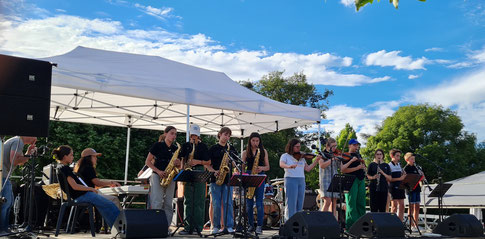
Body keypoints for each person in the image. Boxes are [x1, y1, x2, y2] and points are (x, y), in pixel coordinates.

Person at [53, 145, 120, 228]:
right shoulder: (65, 169)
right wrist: (90, 188)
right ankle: (120, 228)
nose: (73, 157)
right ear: (65, 156)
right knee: (110, 205)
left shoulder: (61, 167)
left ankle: (116, 228)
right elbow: (74, 186)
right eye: (71, 155)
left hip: (81, 196)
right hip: (82, 196)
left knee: (108, 205)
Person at [145, 126, 181, 229]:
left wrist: (178, 164)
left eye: (175, 134)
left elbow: (180, 167)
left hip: (170, 178)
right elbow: (147, 161)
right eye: (171, 133)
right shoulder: (157, 145)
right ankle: (155, 227)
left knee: (168, 203)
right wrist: (158, 171)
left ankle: (166, 227)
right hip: (157, 176)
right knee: (157, 202)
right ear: (165, 134)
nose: (174, 136)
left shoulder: (175, 149)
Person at [178, 124, 210, 235]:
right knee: (188, 200)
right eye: (192, 135)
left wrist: (198, 162)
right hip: (188, 170)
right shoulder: (186, 145)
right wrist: (182, 170)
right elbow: (182, 158)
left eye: (195, 135)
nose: (193, 137)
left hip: (199, 170)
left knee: (199, 200)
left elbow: (208, 162)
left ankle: (198, 227)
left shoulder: (203, 146)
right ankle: (187, 226)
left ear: (199, 136)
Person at [1, 136, 37, 233]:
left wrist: (28, 153)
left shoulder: (17, 141)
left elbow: (19, 162)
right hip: (3, 176)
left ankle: (4, 228)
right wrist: (29, 155)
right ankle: (2, 229)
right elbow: (14, 161)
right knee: (6, 203)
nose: (36, 138)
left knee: (9, 202)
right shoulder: (18, 141)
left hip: (4, 175)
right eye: (35, 135)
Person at [205, 127, 237, 234]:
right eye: (225, 134)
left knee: (228, 203)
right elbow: (207, 164)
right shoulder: (213, 148)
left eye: (228, 135)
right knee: (216, 204)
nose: (227, 137)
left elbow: (235, 164)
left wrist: (230, 161)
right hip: (215, 179)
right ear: (220, 134)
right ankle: (216, 226)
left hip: (228, 179)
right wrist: (214, 171)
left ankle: (229, 226)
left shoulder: (231, 148)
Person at [279, 138, 320, 221]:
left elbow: (307, 169)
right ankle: (289, 222)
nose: (299, 149)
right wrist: (289, 166)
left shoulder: (302, 157)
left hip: (301, 180)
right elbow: (281, 164)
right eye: (297, 147)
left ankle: (298, 223)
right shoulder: (285, 156)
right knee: (291, 203)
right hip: (290, 179)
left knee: (300, 203)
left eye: (299, 147)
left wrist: (316, 161)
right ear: (291, 147)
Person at [242, 132, 270, 234]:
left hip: (260, 176)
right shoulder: (245, 152)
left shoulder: (263, 151)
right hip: (249, 176)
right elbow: (242, 167)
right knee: (249, 204)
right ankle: (250, 225)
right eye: (253, 141)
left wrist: (261, 168)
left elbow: (268, 167)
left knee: (259, 203)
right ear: (250, 141)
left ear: (260, 141)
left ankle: (259, 226)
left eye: (257, 141)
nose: (255, 143)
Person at [341, 138, 366, 229]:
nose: (356, 146)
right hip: (351, 180)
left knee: (361, 203)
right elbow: (343, 170)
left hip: (360, 179)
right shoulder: (345, 155)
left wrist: (363, 168)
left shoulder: (359, 155)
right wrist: (357, 168)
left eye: (357, 145)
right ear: (349, 145)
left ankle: (362, 226)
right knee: (351, 205)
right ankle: (350, 227)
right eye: (354, 145)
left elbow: (362, 167)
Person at [403, 152, 424, 230]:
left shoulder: (417, 168)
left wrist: (422, 175)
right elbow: (405, 179)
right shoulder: (406, 168)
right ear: (407, 160)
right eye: (412, 159)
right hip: (410, 189)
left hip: (417, 188)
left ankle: (416, 225)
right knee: (411, 206)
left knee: (417, 206)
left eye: (414, 159)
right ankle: (411, 225)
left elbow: (423, 178)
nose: (413, 160)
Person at [388, 149, 407, 221]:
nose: (398, 158)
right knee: (394, 206)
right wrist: (400, 178)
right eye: (397, 156)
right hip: (393, 187)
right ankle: (392, 222)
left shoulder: (399, 165)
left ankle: (400, 222)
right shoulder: (389, 165)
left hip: (401, 187)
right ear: (392, 156)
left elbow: (403, 176)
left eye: (399, 156)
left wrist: (404, 175)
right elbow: (390, 179)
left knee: (402, 205)